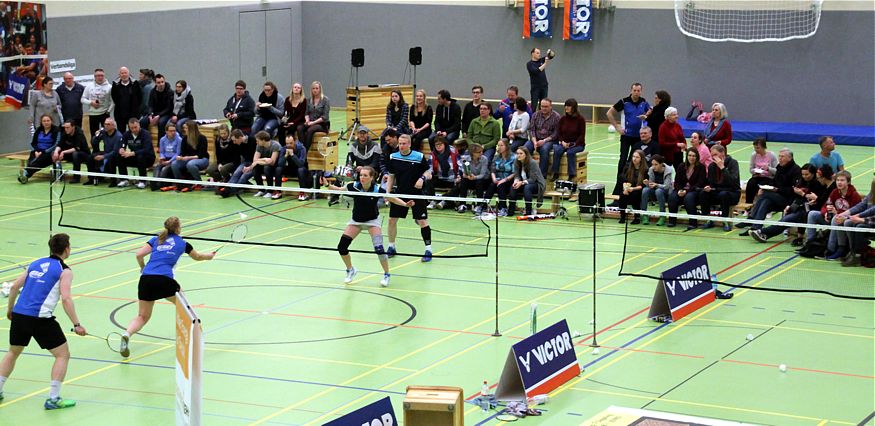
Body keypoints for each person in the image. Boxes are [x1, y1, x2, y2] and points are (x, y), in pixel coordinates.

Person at [0, 233, 87, 410]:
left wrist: (10, 310)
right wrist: (77, 324)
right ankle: (53, 399)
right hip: (39, 319)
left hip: (20, 315)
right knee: (62, 355)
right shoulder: (65, 271)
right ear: (66, 249)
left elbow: (15, 287)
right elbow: (66, 299)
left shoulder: (36, 263)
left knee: (13, 352)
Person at [119, 217, 215, 358]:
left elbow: (139, 254)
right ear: (178, 228)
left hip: (146, 279)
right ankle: (194, 338)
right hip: (164, 279)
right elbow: (198, 257)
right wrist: (209, 256)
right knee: (184, 306)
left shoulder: (156, 239)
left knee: (142, 316)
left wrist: (143, 268)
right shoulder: (183, 243)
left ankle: (127, 334)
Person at [321, 166, 409, 286]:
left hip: (372, 221)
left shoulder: (377, 189)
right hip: (356, 221)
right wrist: (326, 185)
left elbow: (391, 198)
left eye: (365, 175)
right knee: (342, 247)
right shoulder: (354, 186)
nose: (362, 177)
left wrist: (405, 204)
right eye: (361, 175)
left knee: (379, 249)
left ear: (372, 177)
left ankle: (387, 274)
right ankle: (350, 270)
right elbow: (338, 189)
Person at [385, 134, 433, 262]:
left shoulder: (419, 157)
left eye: (404, 143)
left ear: (410, 144)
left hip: (417, 194)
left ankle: (428, 250)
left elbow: (429, 172)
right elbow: (391, 176)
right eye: (400, 143)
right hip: (400, 193)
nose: (401, 146)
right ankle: (391, 246)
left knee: (423, 222)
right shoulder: (393, 157)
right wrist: (387, 193)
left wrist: (422, 178)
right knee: (391, 220)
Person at [751, 163, 826, 243]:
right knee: (766, 201)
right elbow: (796, 197)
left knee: (785, 219)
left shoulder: (818, 185)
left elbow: (815, 200)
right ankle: (763, 232)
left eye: (807, 174)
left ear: (813, 174)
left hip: (808, 210)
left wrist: (802, 194)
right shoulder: (801, 182)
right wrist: (790, 206)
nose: (804, 176)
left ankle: (762, 231)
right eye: (803, 174)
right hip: (797, 207)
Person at [738, 148, 800, 235]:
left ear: (790, 158)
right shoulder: (779, 167)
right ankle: (755, 228)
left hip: (788, 199)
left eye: (782, 156)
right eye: (779, 156)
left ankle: (751, 219)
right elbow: (774, 181)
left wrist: (777, 190)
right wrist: (766, 187)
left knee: (765, 195)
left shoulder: (796, 170)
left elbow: (793, 190)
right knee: (765, 201)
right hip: (776, 197)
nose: (780, 158)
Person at [607, 83, 651, 198]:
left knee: (635, 161)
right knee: (623, 160)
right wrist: (617, 127)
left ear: (641, 91)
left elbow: (650, 110)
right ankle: (618, 188)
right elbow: (609, 113)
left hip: (638, 137)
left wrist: (646, 115)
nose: (636, 92)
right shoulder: (624, 101)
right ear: (631, 90)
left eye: (638, 90)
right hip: (626, 136)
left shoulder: (644, 102)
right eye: (634, 90)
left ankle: (633, 187)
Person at [808, 171, 862, 259]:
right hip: (831, 218)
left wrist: (837, 213)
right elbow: (826, 205)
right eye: (837, 180)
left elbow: (856, 213)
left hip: (844, 221)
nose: (839, 182)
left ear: (848, 182)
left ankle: (830, 249)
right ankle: (810, 243)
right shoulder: (835, 192)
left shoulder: (854, 195)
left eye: (842, 180)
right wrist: (825, 213)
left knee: (836, 219)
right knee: (812, 214)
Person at [831, 178, 875, 267]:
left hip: (872, 222)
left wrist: (860, 218)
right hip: (870, 220)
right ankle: (852, 251)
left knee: (859, 227)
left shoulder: (854, 194)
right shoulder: (872, 194)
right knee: (848, 223)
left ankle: (857, 256)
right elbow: (862, 206)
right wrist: (846, 215)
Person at [701, 144, 740, 231]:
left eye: (715, 155)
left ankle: (725, 221)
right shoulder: (712, 166)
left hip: (732, 193)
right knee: (704, 193)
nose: (713, 158)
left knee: (723, 194)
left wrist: (722, 168)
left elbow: (733, 183)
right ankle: (709, 219)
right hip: (718, 191)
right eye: (712, 156)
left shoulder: (733, 163)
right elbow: (711, 183)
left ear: (722, 153)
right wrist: (708, 187)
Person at [445, 143, 490, 214]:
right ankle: (462, 204)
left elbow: (482, 174)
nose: (481, 153)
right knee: (464, 180)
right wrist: (466, 175)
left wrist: (474, 177)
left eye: (482, 151)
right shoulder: (465, 159)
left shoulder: (484, 159)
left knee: (479, 182)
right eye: (479, 152)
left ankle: (479, 205)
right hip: (469, 178)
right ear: (473, 153)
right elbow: (464, 170)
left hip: (482, 180)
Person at [668, 148, 707, 229]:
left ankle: (693, 222)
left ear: (697, 157)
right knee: (672, 197)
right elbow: (677, 181)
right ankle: (672, 221)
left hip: (694, 190)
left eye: (694, 156)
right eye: (689, 155)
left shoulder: (701, 167)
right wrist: (679, 190)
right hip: (682, 189)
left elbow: (700, 183)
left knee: (689, 198)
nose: (691, 158)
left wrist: (687, 191)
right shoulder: (681, 166)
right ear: (687, 156)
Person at [550, 98, 586, 182]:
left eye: (568, 106)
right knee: (557, 150)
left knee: (570, 152)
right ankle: (555, 173)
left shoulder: (580, 119)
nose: (566, 108)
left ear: (574, 108)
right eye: (565, 106)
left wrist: (573, 144)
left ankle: (571, 174)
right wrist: (562, 142)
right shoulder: (563, 119)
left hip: (577, 144)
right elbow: (559, 133)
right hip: (564, 143)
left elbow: (582, 135)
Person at [112, 118, 155, 188]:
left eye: (135, 127)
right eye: (132, 128)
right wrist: (122, 149)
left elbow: (146, 150)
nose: (134, 129)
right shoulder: (126, 134)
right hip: (134, 157)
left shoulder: (146, 134)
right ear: (129, 127)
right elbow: (122, 144)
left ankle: (143, 181)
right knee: (120, 156)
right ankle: (124, 179)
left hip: (148, 158)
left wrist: (132, 153)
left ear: (139, 125)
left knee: (140, 157)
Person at [18, 114, 60, 184]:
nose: (46, 122)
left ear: (51, 121)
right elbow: (33, 143)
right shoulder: (38, 130)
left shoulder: (56, 130)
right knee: (31, 161)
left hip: (49, 152)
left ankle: (26, 173)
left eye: (48, 121)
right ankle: (25, 175)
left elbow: (56, 144)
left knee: (39, 161)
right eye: (44, 121)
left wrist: (43, 152)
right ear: (41, 122)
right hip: (37, 151)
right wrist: (36, 151)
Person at [170, 121, 210, 192]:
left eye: (185, 128)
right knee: (174, 164)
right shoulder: (184, 139)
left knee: (190, 164)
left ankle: (199, 182)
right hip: (188, 159)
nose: (184, 129)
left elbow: (201, 154)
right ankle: (180, 183)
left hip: (202, 159)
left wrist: (187, 158)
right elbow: (183, 153)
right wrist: (180, 157)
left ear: (191, 129)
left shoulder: (202, 138)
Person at [83, 117, 123, 186]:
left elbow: (115, 152)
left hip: (115, 156)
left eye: (108, 124)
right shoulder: (103, 132)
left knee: (112, 159)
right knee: (90, 157)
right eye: (105, 124)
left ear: (113, 126)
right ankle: (91, 178)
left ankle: (113, 181)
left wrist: (103, 157)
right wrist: (96, 136)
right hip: (105, 153)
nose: (106, 126)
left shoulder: (118, 136)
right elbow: (94, 143)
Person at [217, 131, 257, 198]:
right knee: (236, 173)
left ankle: (230, 191)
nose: (234, 142)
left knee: (243, 177)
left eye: (235, 140)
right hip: (246, 162)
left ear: (240, 137)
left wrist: (250, 167)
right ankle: (228, 188)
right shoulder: (239, 144)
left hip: (255, 164)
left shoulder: (253, 140)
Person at [508, 146, 545, 216]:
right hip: (523, 183)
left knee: (527, 188)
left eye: (521, 153)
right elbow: (517, 175)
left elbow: (533, 179)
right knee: (513, 187)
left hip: (536, 183)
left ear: (526, 154)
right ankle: (510, 210)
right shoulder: (516, 161)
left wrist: (521, 183)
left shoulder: (532, 163)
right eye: (517, 153)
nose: (518, 155)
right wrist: (516, 181)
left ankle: (528, 211)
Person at [528, 98, 561, 176]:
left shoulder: (556, 117)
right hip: (536, 139)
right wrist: (534, 141)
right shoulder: (535, 115)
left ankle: (542, 174)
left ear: (550, 106)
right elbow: (531, 129)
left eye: (546, 106)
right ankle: (527, 171)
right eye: (542, 106)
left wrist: (544, 141)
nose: (544, 108)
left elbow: (556, 133)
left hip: (550, 140)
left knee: (544, 149)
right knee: (526, 148)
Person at [485, 139, 516, 217]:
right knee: (492, 185)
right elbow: (493, 169)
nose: (499, 147)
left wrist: (504, 180)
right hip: (498, 179)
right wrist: (494, 178)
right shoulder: (496, 157)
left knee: (501, 185)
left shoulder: (513, 157)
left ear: (507, 146)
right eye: (498, 145)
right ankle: (483, 205)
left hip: (509, 179)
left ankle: (503, 208)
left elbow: (515, 172)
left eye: (501, 145)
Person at [641, 154, 674, 226]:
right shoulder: (651, 169)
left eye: (656, 164)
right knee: (645, 190)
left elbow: (667, 186)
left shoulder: (668, 170)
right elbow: (651, 184)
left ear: (661, 164)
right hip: (655, 191)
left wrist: (657, 185)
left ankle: (662, 215)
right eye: (652, 164)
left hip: (666, 193)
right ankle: (644, 214)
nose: (653, 166)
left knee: (658, 191)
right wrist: (648, 183)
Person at [249, 130, 283, 199]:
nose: (256, 142)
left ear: (263, 140)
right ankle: (261, 189)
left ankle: (270, 191)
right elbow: (254, 160)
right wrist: (264, 159)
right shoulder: (259, 146)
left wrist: (259, 161)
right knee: (255, 168)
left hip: (276, 166)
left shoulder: (275, 145)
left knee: (267, 168)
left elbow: (272, 162)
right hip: (266, 164)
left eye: (258, 140)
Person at [617, 149, 648, 224]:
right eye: (633, 156)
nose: (634, 158)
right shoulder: (628, 166)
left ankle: (637, 217)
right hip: (628, 188)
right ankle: (622, 216)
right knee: (622, 195)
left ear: (641, 159)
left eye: (637, 157)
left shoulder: (645, 169)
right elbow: (623, 179)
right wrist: (625, 189)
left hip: (638, 189)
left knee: (635, 195)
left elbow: (643, 185)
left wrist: (633, 189)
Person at [80, 68, 113, 137]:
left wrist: (108, 111)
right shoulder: (89, 86)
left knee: (107, 133)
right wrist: (91, 102)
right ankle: (95, 148)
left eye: (101, 75)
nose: (100, 77)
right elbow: (82, 99)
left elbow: (113, 101)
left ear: (104, 76)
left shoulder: (110, 87)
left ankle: (107, 147)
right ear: (94, 77)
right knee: (94, 135)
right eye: (98, 75)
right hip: (93, 114)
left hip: (104, 114)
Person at [139, 73, 173, 139]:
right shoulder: (153, 92)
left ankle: (159, 144)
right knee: (142, 122)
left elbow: (169, 108)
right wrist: (150, 115)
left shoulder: (170, 92)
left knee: (161, 123)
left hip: (165, 113)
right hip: (154, 113)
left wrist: (159, 115)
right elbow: (150, 105)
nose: (161, 84)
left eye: (162, 82)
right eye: (159, 82)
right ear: (155, 83)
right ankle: (146, 141)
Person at [297, 81, 330, 149]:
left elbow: (325, 116)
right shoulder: (309, 100)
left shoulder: (325, 100)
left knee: (310, 130)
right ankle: (302, 148)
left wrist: (313, 123)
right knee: (299, 128)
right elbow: (306, 113)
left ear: (320, 89)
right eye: (313, 88)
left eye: (317, 88)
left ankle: (305, 151)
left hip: (322, 124)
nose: (315, 90)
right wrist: (307, 120)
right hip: (310, 121)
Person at [745, 138, 778, 205]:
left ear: (763, 147)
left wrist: (768, 168)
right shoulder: (754, 155)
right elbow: (751, 169)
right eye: (755, 148)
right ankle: (748, 205)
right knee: (750, 184)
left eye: (758, 148)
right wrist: (755, 171)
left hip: (768, 177)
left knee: (763, 185)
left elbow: (777, 171)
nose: (756, 150)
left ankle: (764, 205)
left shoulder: (771, 155)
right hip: (757, 176)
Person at [110, 67, 141, 132]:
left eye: (125, 73)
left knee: (133, 132)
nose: (124, 75)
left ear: (129, 74)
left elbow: (139, 97)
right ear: (119, 75)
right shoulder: (115, 84)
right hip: (120, 113)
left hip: (133, 113)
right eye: (122, 73)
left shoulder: (135, 83)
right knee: (121, 132)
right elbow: (114, 97)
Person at [152, 123, 182, 190]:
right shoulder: (162, 139)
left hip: (174, 160)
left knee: (164, 169)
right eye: (171, 131)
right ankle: (154, 183)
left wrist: (170, 161)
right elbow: (162, 152)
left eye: (174, 130)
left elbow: (178, 153)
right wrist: (162, 158)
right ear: (166, 131)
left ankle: (161, 184)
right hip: (165, 159)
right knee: (157, 167)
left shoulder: (179, 140)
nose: (173, 132)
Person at [282, 132, 311, 200]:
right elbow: (280, 164)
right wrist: (285, 156)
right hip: (290, 169)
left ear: (295, 141)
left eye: (291, 143)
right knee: (278, 168)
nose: (288, 145)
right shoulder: (284, 148)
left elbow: (301, 164)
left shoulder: (302, 148)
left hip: (302, 170)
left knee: (300, 169)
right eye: (287, 143)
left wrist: (292, 155)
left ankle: (302, 193)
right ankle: (277, 191)